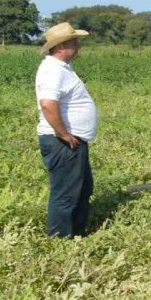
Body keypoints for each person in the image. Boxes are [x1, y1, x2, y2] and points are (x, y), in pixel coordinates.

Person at [36, 22, 98, 238]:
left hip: (72, 140)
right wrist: (63, 134)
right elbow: (47, 104)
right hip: (63, 142)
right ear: (62, 45)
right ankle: (60, 239)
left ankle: (77, 232)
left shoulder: (61, 68)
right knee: (66, 194)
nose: (78, 47)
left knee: (82, 188)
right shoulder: (53, 70)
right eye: (74, 42)